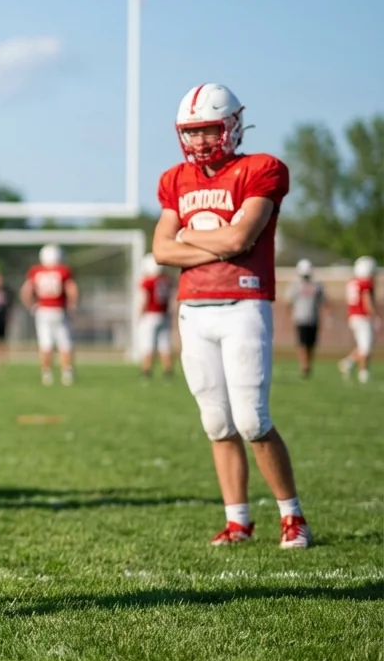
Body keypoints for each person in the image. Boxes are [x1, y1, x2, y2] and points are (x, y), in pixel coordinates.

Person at [152, 82, 309, 549]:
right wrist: (210, 243)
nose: (200, 141)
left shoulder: (261, 170)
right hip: (194, 311)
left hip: (244, 303)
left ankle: (292, 516)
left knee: (252, 419)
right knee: (216, 422)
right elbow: (160, 249)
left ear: (233, 126)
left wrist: (188, 242)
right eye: (192, 132)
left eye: (208, 130)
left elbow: (241, 239)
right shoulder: (174, 179)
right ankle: (237, 520)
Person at [22, 244, 78, 386]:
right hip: (59, 310)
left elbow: (26, 291)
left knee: (45, 344)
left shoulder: (36, 271)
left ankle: (47, 374)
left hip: (43, 310)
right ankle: (67, 374)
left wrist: (31, 306)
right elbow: (72, 289)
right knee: (64, 343)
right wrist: (72, 305)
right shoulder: (63, 271)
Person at [339, 255, 377, 383]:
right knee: (365, 347)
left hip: (353, 316)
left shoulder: (352, 282)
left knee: (363, 346)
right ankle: (363, 374)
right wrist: (374, 315)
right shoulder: (365, 283)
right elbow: (367, 301)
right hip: (362, 316)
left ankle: (348, 362)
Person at [137, 254, 174, 380]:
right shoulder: (166, 280)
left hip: (150, 315)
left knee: (148, 345)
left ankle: (146, 373)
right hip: (164, 315)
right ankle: (168, 374)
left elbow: (144, 300)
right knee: (164, 346)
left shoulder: (148, 282)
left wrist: (140, 315)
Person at [287, 259, 326, 379]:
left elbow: (323, 301)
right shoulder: (295, 285)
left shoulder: (317, 285)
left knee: (311, 344)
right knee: (302, 343)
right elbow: (289, 302)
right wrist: (290, 316)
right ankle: (304, 366)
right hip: (300, 318)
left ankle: (308, 365)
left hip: (313, 318)